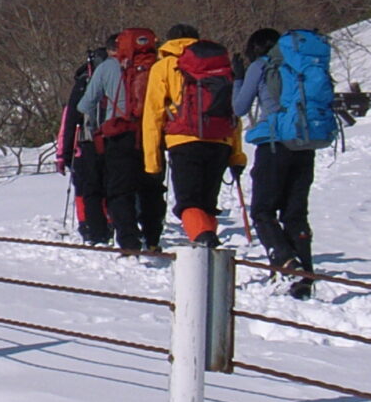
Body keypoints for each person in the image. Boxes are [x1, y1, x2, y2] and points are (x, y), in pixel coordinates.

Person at [236, 26, 336, 297]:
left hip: (275, 142)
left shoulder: (261, 66)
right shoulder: (303, 64)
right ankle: (304, 273)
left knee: (263, 211)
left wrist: (237, 78)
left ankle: (285, 261)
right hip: (305, 140)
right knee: (295, 212)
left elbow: (238, 107)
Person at [139, 24, 243, 250]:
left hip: (183, 141)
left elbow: (153, 115)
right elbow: (233, 111)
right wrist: (237, 154)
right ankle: (207, 246)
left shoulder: (164, 66)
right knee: (207, 203)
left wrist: (152, 162)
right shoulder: (219, 65)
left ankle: (205, 241)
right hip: (220, 141)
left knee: (188, 203)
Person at [79, 26, 166, 255]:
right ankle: (153, 239)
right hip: (152, 133)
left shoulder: (107, 67)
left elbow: (86, 104)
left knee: (120, 191)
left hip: (120, 135)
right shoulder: (158, 63)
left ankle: (129, 243)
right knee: (152, 189)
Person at [56, 38, 114, 245]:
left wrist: (63, 154)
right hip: (117, 140)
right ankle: (109, 223)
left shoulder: (84, 81)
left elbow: (70, 118)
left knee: (85, 188)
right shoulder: (120, 77)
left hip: (86, 143)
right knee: (110, 186)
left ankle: (88, 226)